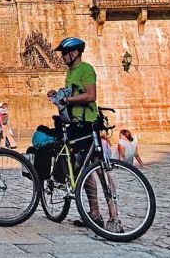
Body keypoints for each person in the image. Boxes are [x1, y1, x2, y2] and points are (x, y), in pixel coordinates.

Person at [47, 37, 122, 234]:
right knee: (83, 170)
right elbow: (72, 93)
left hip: (88, 124)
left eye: (64, 53)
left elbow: (90, 95)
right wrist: (58, 94)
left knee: (100, 170)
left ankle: (114, 217)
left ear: (75, 53)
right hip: (75, 124)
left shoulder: (86, 69)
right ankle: (94, 214)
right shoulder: (70, 72)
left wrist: (68, 99)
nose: (62, 56)